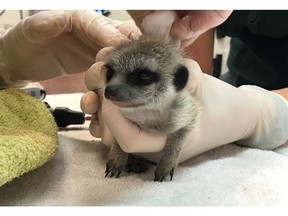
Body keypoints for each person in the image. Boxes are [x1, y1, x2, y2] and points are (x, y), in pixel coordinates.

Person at [80, 10, 288, 164]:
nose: (111, 88)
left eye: (142, 77)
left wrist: (263, 113)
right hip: (236, 77)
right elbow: (192, 61)